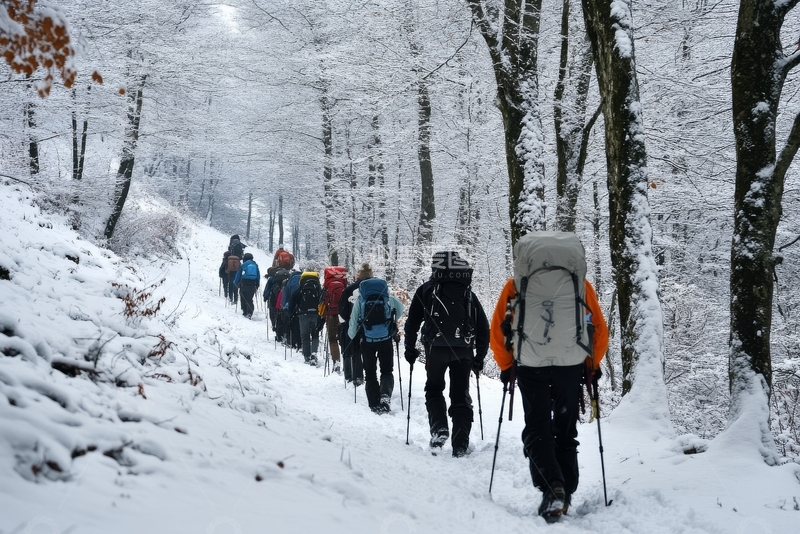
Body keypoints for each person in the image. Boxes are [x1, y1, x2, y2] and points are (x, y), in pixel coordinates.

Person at [490, 231, 609, 522]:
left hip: (531, 365)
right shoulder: (581, 287)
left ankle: (552, 487)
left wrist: (507, 366)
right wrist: (592, 367)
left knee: (537, 427)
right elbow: (599, 330)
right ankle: (566, 490)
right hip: (570, 366)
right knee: (566, 429)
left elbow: (497, 332)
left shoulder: (514, 286)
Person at [404, 251, 490, 457]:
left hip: (435, 351)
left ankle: (439, 429)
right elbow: (483, 327)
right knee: (460, 395)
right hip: (464, 351)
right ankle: (460, 443)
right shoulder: (468, 294)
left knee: (434, 389)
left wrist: (410, 348)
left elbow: (412, 323)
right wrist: (480, 356)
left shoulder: (425, 290)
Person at [348, 271, 404, 414]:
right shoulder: (388, 299)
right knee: (386, 370)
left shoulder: (360, 301)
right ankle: (385, 396)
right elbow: (400, 309)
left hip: (367, 341)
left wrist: (353, 338)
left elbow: (353, 324)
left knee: (370, 373)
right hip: (385, 339)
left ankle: (374, 403)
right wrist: (390, 323)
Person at [338, 263, 372, 385]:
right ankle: (371, 376)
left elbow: (342, 310)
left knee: (355, 348)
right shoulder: (379, 287)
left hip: (354, 323)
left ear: (359, 275)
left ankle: (355, 376)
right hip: (373, 326)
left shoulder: (350, 289)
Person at [289, 270, 322, 365]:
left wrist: (292, 314)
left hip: (303, 314)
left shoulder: (300, 289)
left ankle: (306, 355)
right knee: (315, 334)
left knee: (305, 335)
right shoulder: (318, 289)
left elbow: (292, 302)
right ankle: (314, 354)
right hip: (316, 314)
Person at [320, 266, 347, 374]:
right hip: (343, 316)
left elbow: (323, 300)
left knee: (332, 339)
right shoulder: (345, 286)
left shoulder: (327, 286)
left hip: (331, 315)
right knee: (343, 339)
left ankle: (336, 362)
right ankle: (347, 363)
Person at [233, 252, 260, 318]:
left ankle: (245, 311)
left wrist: (235, 283)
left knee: (243, 298)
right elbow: (258, 276)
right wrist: (257, 285)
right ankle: (250, 312)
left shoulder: (243, 265)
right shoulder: (255, 265)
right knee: (249, 299)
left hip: (244, 284)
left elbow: (238, 274)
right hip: (252, 284)